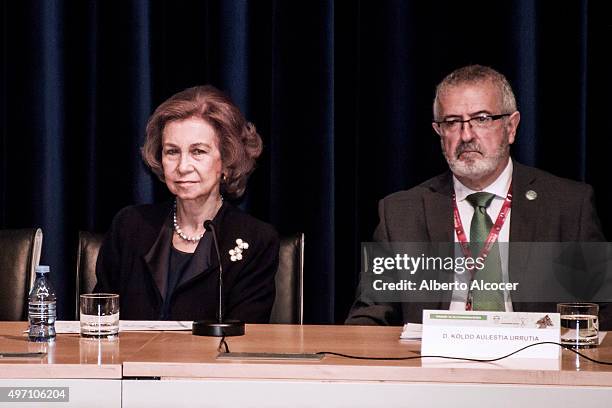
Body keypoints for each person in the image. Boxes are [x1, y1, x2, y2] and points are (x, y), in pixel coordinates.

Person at [346, 65, 609, 327]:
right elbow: (371, 312)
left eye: (481, 119)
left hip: (533, 362)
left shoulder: (568, 206)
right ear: (439, 132)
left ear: (511, 126)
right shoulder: (401, 212)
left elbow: (603, 312)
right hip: (431, 363)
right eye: (452, 122)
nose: (466, 135)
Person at [94, 85, 279, 322]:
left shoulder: (256, 239)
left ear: (227, 160)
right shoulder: (130, 226)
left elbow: (244, 339)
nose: (182, 166)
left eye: (198, 151)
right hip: (130, 359)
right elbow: (99, 320)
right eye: (172, 151)